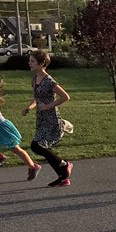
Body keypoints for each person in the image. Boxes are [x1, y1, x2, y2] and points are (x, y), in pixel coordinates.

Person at [22, 50, 73, 188]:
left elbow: (65, 97)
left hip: (51, 118)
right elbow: (36, 99)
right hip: (41, 118)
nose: (29, 63)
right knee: (40, 147)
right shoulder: (34, 79)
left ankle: (64, 165)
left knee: (36, 146)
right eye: (30, 61)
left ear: (41, 63)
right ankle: (63, 176)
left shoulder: (49, 81)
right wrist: (29, 108)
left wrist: (48, 106)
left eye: (32, 61)